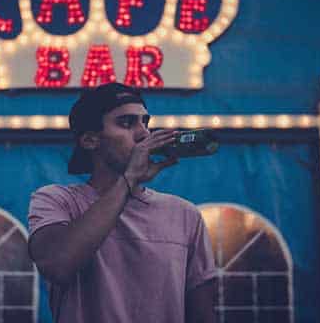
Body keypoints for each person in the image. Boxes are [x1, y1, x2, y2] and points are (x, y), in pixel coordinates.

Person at [27, 82, 217, 323]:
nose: (143, 134)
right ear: (90, 140)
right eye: (126, 123)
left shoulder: (184, 215)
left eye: (145, 123)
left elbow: (203, 314)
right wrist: (129, 180)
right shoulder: (58, 200)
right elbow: (57, 263)